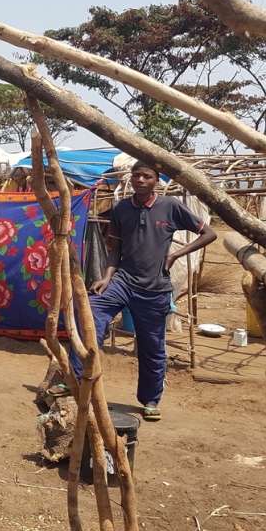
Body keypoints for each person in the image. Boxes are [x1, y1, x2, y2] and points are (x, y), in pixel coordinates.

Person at [57, 161, 217, 421]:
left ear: (156, 181)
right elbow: (116, 250)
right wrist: (106, 277)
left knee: (152, 347)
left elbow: (208, 233)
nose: (141, 180)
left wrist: (175, 254)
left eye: (147, 176)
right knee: (89, 314)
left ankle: (150, 399)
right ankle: (75, 378)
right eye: (137, 175)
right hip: (122, 281)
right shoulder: (121, 208)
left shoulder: (171, 206)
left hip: (154, 289)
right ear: (130, 179)